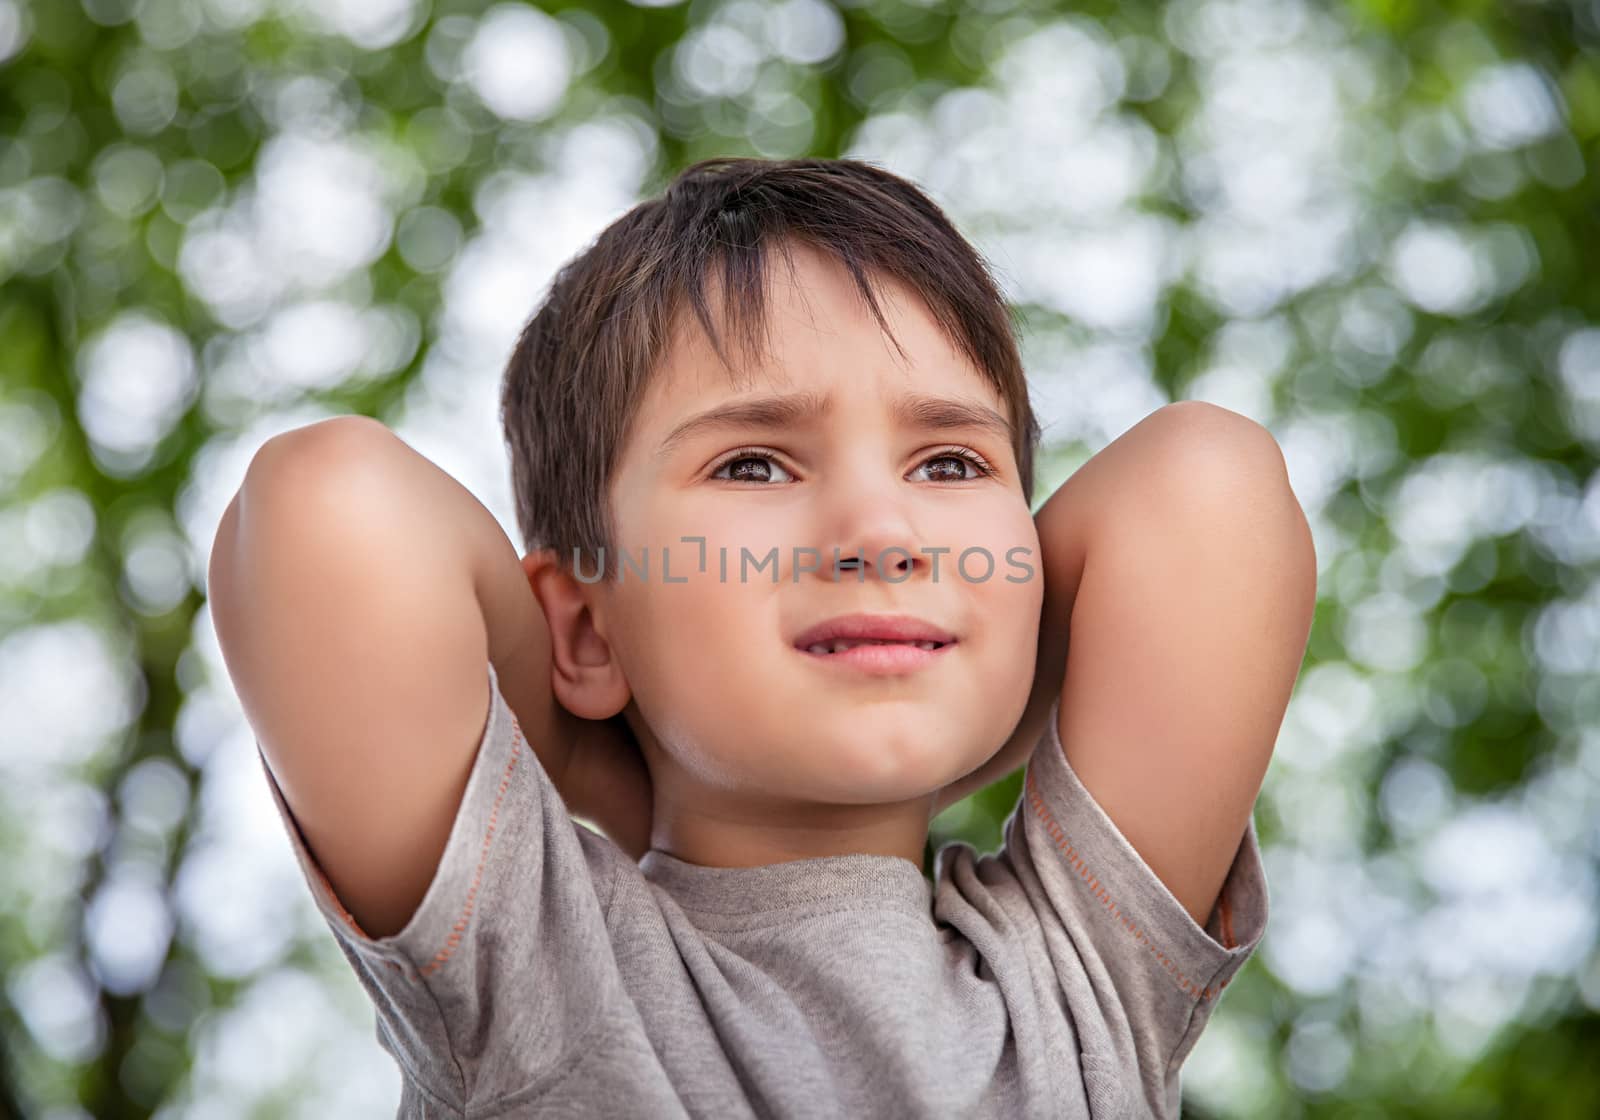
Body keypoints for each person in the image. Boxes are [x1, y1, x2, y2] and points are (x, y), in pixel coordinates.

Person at [207, 157, 1316, 1118]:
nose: (881, 531)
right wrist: (609, 755)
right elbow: (324, 505)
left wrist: (967, 682)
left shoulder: (1077, 976)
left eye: (948, 463)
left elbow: (1205, 483)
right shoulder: (540, 965)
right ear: (585, 631)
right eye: (753, 464)